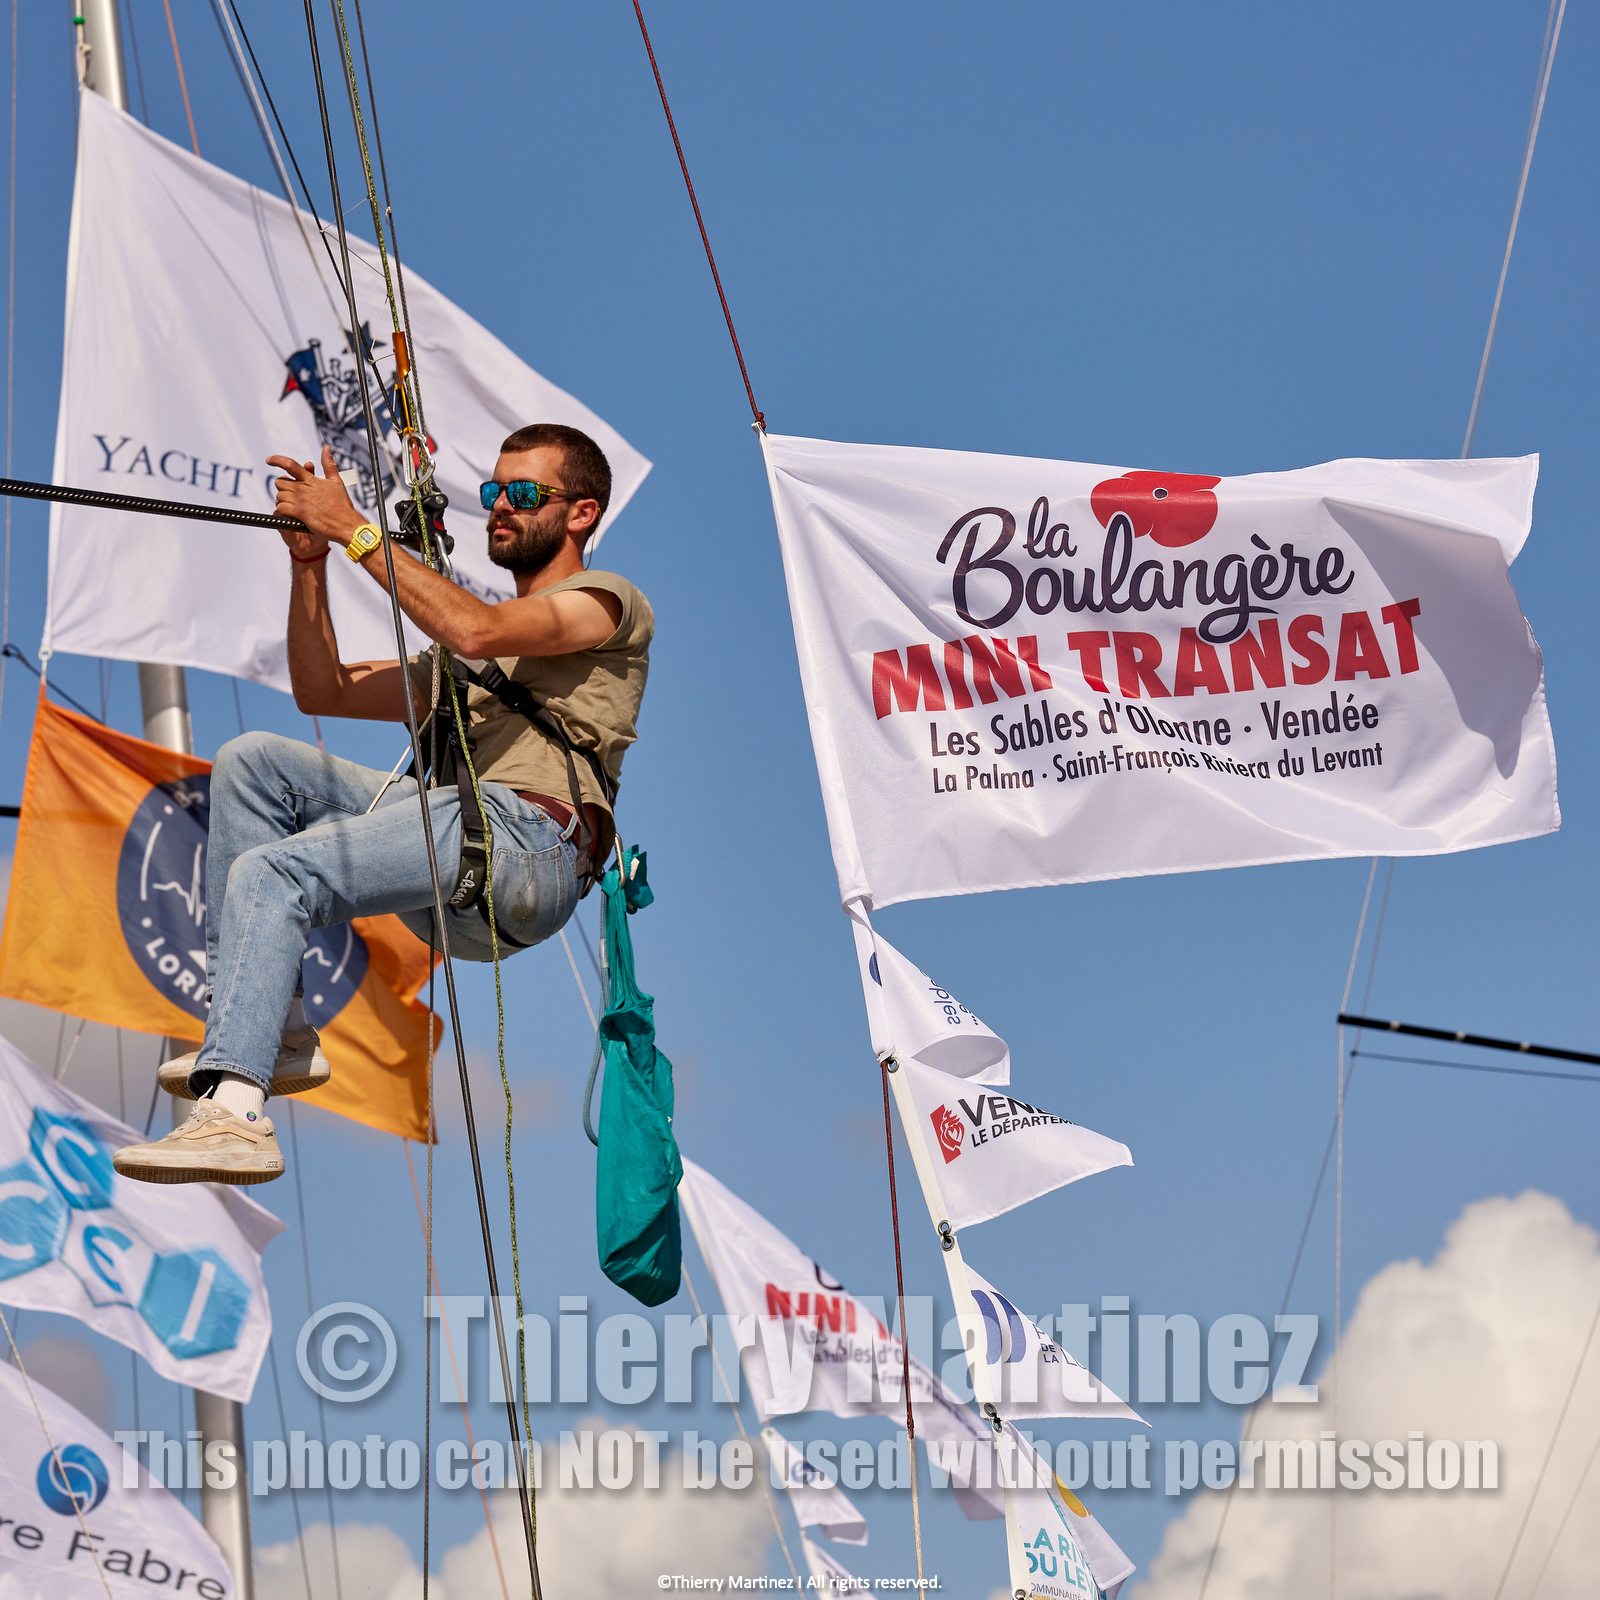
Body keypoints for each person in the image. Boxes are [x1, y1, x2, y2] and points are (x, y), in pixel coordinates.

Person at [112, 423, 652, 1186]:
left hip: (526, 845)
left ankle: (234, 1113)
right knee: (253, 763)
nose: (499, 507)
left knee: (274, 874)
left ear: (581, 514)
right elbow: (322, 690)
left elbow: (473, 623)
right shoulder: (466, 661)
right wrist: (312, 563)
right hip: (459, 858)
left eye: (523, 494)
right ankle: (284, 1031)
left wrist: (354, 529)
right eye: (494, 492)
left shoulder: (605, 601)